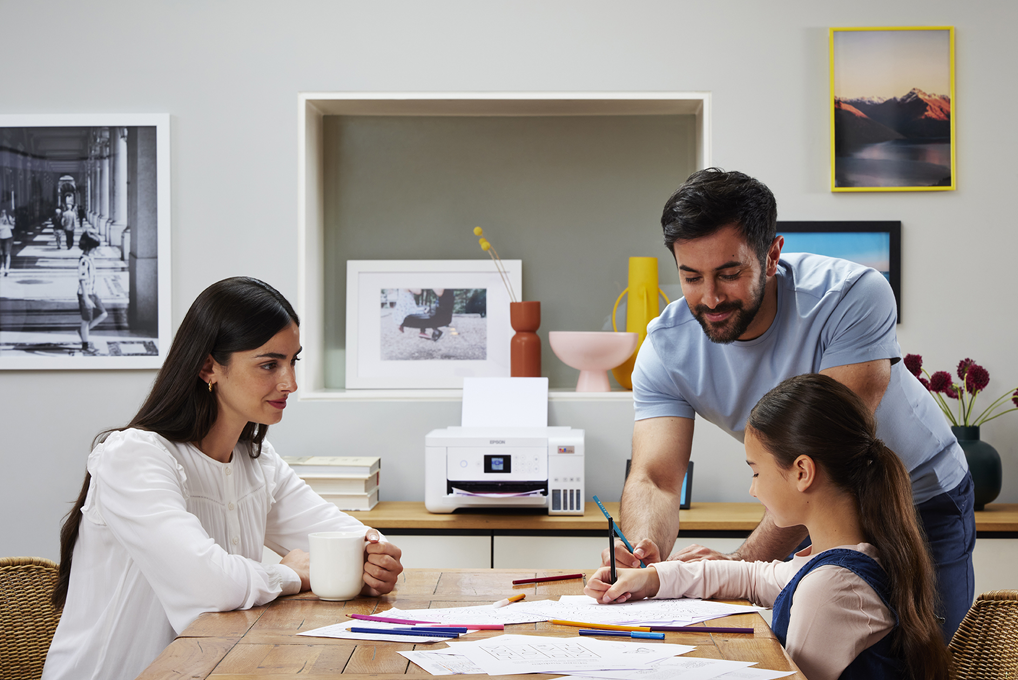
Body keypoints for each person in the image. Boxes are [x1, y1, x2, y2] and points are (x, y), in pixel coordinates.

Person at [612, 168, 975, 638]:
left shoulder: (850, 297)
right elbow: (656, 478)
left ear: (771, 255)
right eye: (690, 276)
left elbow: (823, 462)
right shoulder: (666, 347)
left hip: (920, 499)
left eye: (728, 273)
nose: (710, 297)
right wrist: (645, 551)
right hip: (817, 518)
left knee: (924, 656)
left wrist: (737, 564)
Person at [43, 277, 405, 680]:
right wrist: (292, 573)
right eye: (270, 364)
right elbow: (207, 586)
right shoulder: (133, 456)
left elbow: (348, 539)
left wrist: (374, 558)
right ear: (208, 366)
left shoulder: (257, 461)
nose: (290, 383)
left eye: (293, 361)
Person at [588, 374, 951, 680]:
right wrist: (651, 579)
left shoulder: (830, 590)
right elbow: (752, 578)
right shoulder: (850, 557)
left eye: (756, 471)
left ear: (802, 472)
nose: (753, 488)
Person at [76, 230, 108, 353]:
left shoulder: (90, 258)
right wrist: (86, 298)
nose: (96, 249)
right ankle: (85, 345)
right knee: (86, 320)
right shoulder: (84, 260)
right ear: (89, 246)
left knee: (103, 314)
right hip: (86, 294)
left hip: (92, 293)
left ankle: (83, 332)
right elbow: (82, 280)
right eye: (95, 247)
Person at [0, 209, 13, 276]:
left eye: (4, 212)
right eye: (2, 212)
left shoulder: (9, 217)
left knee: (7, 253)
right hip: (0, 237)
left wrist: (8, 223)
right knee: (1, 254)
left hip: (8, 237)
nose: (3, 213)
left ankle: (7, 268)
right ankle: (1, 267)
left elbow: (13, 226)